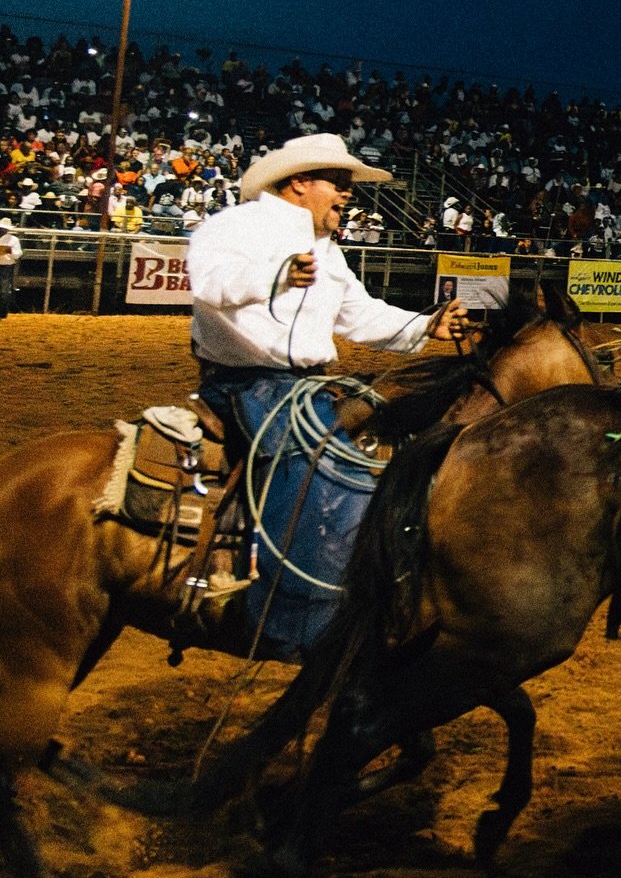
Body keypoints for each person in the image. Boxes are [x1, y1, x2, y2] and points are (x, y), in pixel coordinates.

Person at [186, 133, 467, 629]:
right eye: (338, 182)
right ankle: (292, 618)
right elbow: (209, 284)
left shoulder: (327, 251)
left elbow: (359, 315)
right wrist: (277, 276)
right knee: (320, 473)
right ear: (298, 183)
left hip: (302, 386)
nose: (347, 194)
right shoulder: (233, 226)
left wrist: (426, 325)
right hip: (248, 383)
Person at [0, 217, 19, 319]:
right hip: (5, 265)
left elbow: (18, 254)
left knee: (4, 290)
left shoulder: (14, 239)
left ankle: (2, 313)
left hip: (6, 266)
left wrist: (6, 251)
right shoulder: (13, 240)